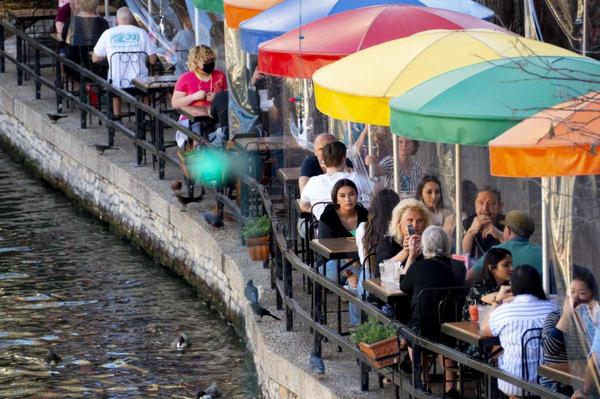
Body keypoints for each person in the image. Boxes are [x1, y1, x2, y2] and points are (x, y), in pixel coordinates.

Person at [399, 225, 463, 398]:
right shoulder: (458, 266)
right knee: (446, 340)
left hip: (423, 327)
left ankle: (423, 380)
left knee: (410, 331)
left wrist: (411, 255)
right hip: (451, 326)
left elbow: (403, 286)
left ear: (424, 246)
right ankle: (450, 387)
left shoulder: (417, 267)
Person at [482, 265, 557, 398]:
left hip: (514, 382)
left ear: (512, 286)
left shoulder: (504, 310)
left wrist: (497, 300)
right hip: (549, 383)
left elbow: (484, 330)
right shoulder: (553, 308)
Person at [92, 7, 157, 118]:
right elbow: (153, 60)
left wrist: (110, 54)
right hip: (139, 84)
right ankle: (145, 115)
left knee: (115, 76)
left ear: (117, 20)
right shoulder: (141, 33)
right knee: (146, 79)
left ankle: (117, 115)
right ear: (131, 19)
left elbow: (95, 58)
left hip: (116, 85)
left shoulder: (108, 33)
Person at [543, 266, 599, 393]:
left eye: (582, 293)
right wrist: (567, 315)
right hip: (558, 384)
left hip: (587, 380)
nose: (575, 298)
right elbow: (550, 349)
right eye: (572, 292)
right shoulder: (555, 316)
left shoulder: (594, 319)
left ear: (592, 295)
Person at [350, 189, 400, 323]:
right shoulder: (398, 230)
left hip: (369, 277)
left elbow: (363, 260)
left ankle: (357, 329)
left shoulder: (364, 228)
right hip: (394, 279)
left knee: (353, 287)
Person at [171, 45, 227, 149]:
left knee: (222, 133)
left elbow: (227, 97)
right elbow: (175, 103)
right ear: (196, 62)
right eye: (206, 61)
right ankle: (198, 154)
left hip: (215, 116)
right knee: (197, 134)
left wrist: (217, 97)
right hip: (193, 118)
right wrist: (193, 97)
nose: (210, 63)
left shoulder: (220, 76)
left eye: (212, 60)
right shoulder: (185, 78)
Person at [468, 210, 542, 285]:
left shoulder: (496, 252)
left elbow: (469, 278)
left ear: (508, 230)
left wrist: (469, 233)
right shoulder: (542, 252)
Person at [318, 179, 368, 284]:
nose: (348, 199)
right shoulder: (328, 217)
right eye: (342, 196)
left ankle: (351, 282)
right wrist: (350, 261)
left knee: (363, 275)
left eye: (352, 194)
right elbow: (325, 248)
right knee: (361, 278)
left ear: (357, 196)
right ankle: (351, 280)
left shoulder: (365, 215)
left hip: (361, 260)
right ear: (336, 199)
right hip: (334, 262)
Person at [299, 141, 357, 220]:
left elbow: (303, 207)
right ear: (344, 159)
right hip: (356, 228)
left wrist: (320, 212)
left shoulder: (313, 182)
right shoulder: (357, 179)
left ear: (323, 160)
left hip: (325, 230)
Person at [376, 198, 431, 267]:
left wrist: (425, 248)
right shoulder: (389, 242)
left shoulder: (428, 242)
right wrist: (406, 251)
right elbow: (382, 269)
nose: (415, 225)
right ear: (399, 222)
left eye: (420, 221)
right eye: (410, 220)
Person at [62, 0, 109, 81]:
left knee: (62, 51)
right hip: (98, 66)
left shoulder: (72, 21)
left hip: (74, 65)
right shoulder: (103, 23)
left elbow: (64, 37)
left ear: (81, 4)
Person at [462, 186, 504, 260]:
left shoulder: (507, 224)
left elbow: (516, 252)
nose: (485, 208)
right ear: (475, 205)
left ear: (499, 207)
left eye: (491, 204)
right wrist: (470, 233)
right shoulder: (465, 224)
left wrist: (499, 235)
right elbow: (461, 254)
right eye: (481, 203)